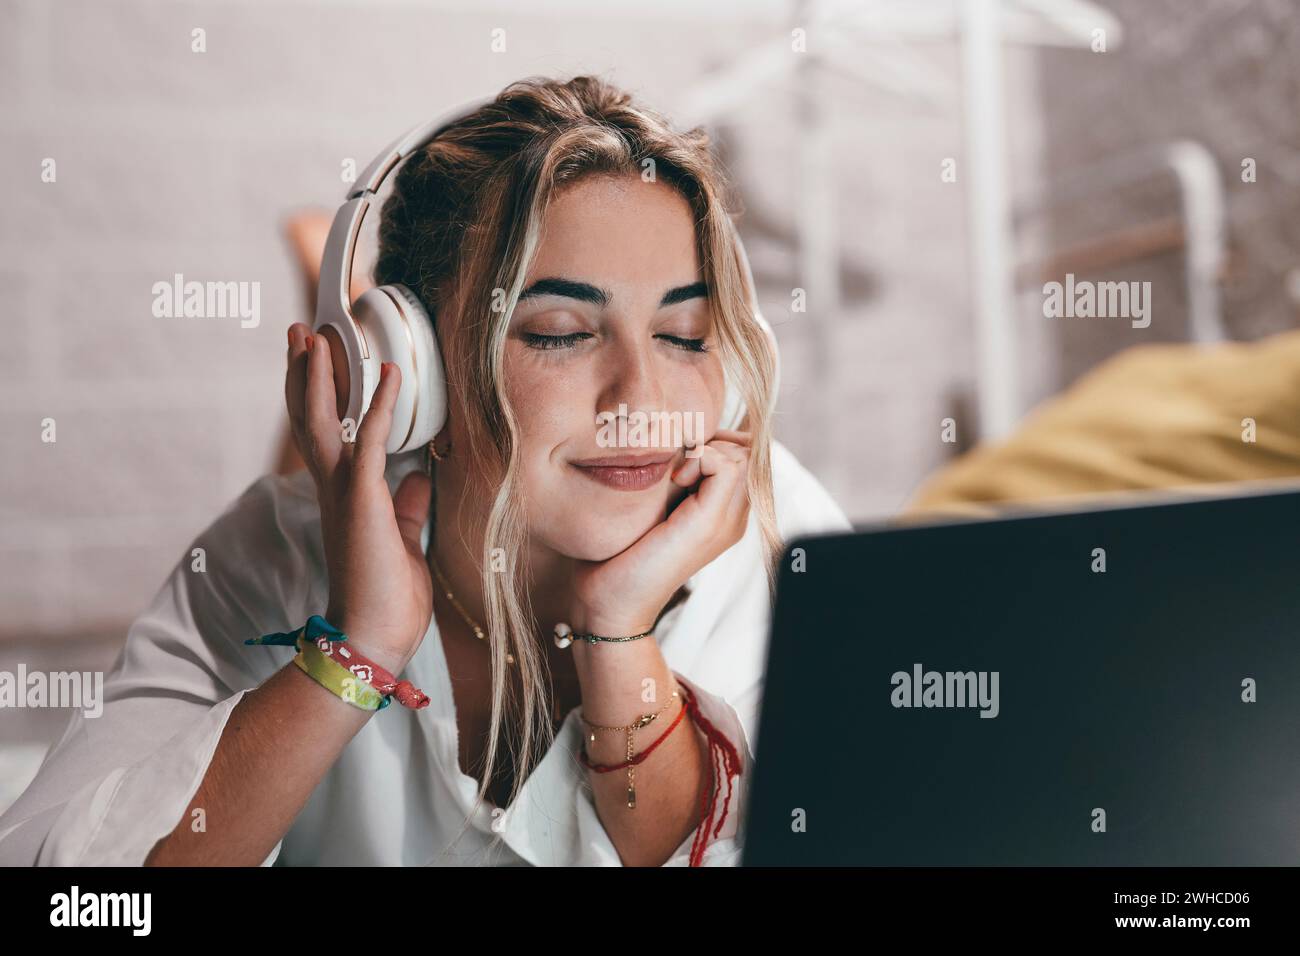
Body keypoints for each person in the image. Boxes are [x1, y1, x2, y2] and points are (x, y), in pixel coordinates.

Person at [0, 74, 850, 867]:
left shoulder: (786, 545)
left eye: (685, 335)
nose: (640, 395)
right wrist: (352, 656)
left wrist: (616, 632)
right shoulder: (266, 559)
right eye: (559, 330)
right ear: (408, 370)